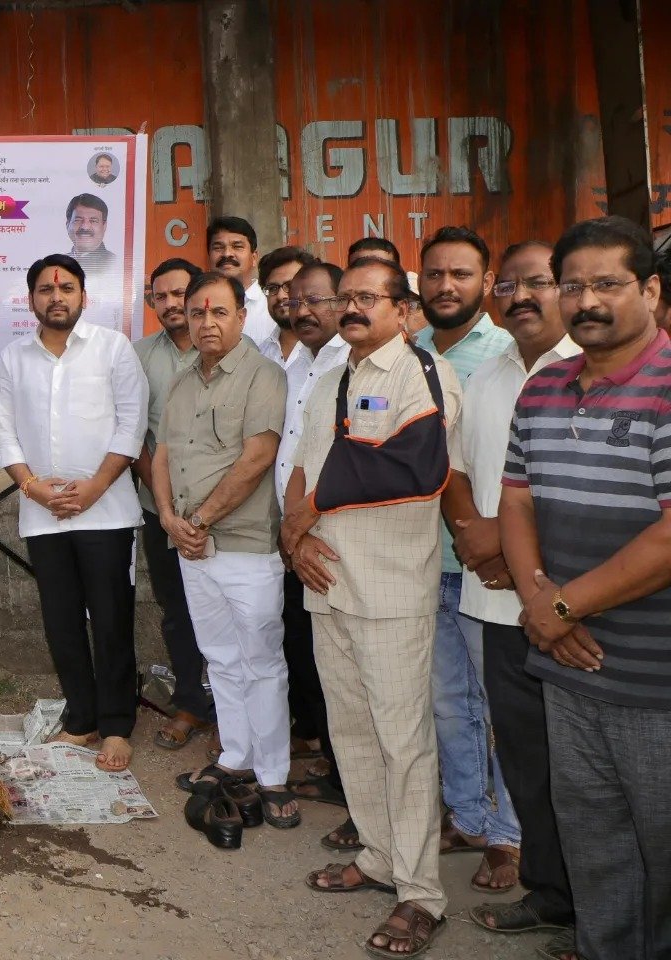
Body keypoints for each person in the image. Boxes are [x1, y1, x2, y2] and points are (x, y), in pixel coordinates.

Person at [501, 216, 671, 960]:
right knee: (596, 846)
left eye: (608, 283)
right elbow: (515, 500)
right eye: (574, 284)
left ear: (652, 290)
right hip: (567, 669)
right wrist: (544, 604)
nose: (587, 300)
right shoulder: (544, 389)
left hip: (655, 680)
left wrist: (560, 607)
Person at [284, 256, 462, 957]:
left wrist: (307, 515)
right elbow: (303, 469)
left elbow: (416, 467)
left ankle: (421, 893)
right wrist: (292, 535)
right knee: (352, 735)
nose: (353, 307)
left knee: (404, 744)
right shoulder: (332, 379)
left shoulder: (422, 374)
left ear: (402, 309)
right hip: (328, 585)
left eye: (368, 297)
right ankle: (379, 856)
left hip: (389, 589)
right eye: (345, 297)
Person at [444, 240, 578, 953]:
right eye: (514, 286)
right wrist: (475, 536)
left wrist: (513, 549)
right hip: (492, 598)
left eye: (541, 283)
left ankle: (604, 906)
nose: (524, 298)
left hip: (566, 604)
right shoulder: (490, 375)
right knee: (524, 757)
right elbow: (457, 467)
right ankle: (552, 893)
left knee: (584, 768)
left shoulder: (585, 371)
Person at [0, 253, 147, 772]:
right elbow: (5, 434)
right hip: (44, 515)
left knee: (111, 620)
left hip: (106, 513)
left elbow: (131, 425)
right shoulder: (14, 358)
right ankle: (80, 720)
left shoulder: (113, 349)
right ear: (31, 298)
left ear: (84, 295)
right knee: (61, 622)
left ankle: (118, 725)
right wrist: (34, 490)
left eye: (66, 288)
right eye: (44, 290)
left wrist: (96, 487)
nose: (56, 297)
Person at [152, 271, 295, 826]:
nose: (206, 323)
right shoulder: (183, 379)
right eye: (197, 313)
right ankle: (236, 758)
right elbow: (161, 454)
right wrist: (169, 519)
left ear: (241, 317)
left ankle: (274, 775)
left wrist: (202, 519)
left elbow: (258, 457)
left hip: (243, 545)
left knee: (262, 661)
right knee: (221, 658)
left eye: (219, 313)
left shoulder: (265, 376)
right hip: (191, 545)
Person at [414, 226, 520, 873]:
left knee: (503, 706)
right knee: (448, 702)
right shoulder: (407, 350)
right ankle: (467, 815)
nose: (446, 286)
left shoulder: (509, 355)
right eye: (434, 274)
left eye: (460, 274)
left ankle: (510, 833)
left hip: (492, 564)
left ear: (486, 283)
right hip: (426, 561)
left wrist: (495, 544)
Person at [273, 262, 354, 840]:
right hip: (293, 535)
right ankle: (336, 769)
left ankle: (362, 796)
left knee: (351, 672)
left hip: (335, 537)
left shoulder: (353, 360)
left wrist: (303, 523)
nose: (302, 311)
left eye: (316, 301)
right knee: (312, 660)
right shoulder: (293, 362)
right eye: (295, 302)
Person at [133, 258, 216, 750]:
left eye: (179, 294)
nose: (170, 305)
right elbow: (135, 435)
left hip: (227, 511)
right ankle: (189, 702)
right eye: (159, 297)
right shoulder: (139, 356)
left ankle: (235, 714)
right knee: (177, 610)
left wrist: (209, 510)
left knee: (231, 611)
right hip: (159, 507)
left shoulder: (232, 351)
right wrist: (165, 508)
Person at [207, 216, 275, 348]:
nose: (227, 254)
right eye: (218, 247)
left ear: (254, 258)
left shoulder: (271, 307)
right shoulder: (197, 308)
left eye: (237, 247)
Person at [258, 246, 317, 361]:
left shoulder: (332, 352)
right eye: (273, 288)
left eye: (290, 286)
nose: (281, 296)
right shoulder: (262, 354)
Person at [65, 193, 116, 280]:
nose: (85, 227)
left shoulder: (116, 264)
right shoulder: (57, 264)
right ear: (67, 225)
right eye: (78, 220)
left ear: (104, 226)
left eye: (93, 221)